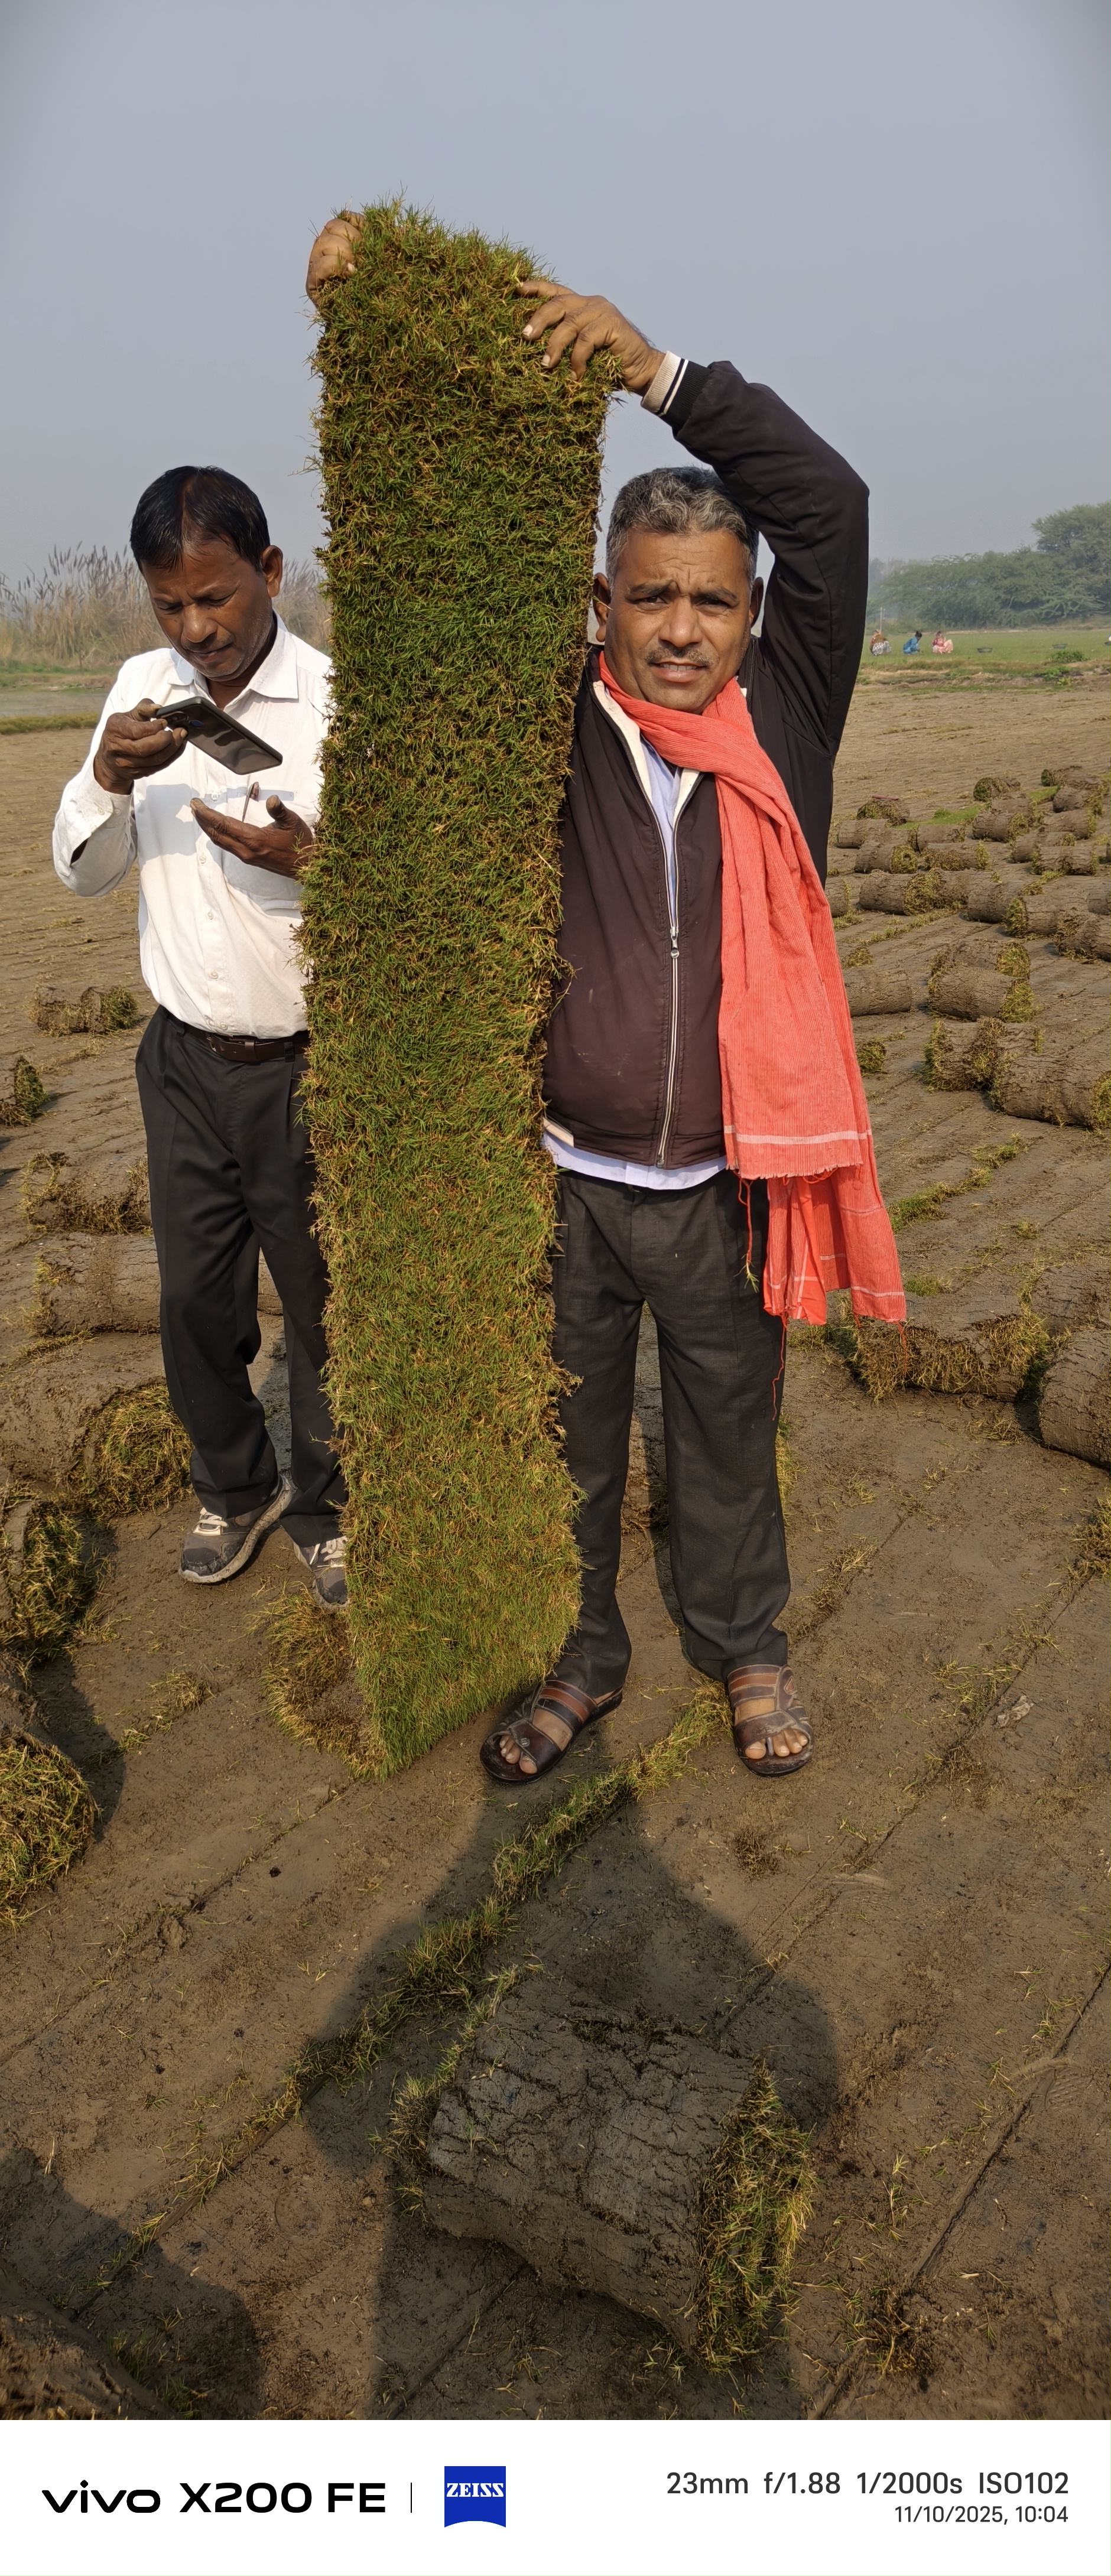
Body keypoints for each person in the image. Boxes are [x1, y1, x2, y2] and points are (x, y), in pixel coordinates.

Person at [307, 227, 902, 1781]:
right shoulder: (553, 721)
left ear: (753, 613)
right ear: (604, 601)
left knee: (723, 1440)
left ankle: (746, 1648)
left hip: (725, 1182)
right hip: (569, 1179)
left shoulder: (788, 719)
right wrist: (373, 309)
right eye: (654, 600)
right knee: (563, 1450)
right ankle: (577, 1664)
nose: (685, 629)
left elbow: (828, 505)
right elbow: (425, 575)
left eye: (713, 599)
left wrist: (659, 374)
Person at [53, 467, 348, 1607]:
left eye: (217, 599)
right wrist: (106, 778)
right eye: (171, 607)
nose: (197, 631)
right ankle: (236, 1488)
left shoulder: (337, 702)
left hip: (309, 1065)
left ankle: (327, 1507)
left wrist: (316, 863)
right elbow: (82, 873)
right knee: (193, 1302)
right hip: (182, 1063)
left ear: (270, 575)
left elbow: (408, 894)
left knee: (323, 1300)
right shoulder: (142, 691)